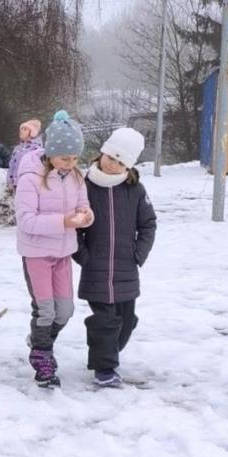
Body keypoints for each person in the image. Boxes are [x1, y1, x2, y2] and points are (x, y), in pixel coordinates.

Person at [15, 110, 92, 388]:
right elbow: (25, 220)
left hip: (63, 253)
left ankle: (40, 340)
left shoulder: (75, 177)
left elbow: (83, 204)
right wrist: (64, 221)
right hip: (36, 253)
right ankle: (42, 356)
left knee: (66, 311)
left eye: (74, 159)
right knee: (45, 310)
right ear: (49, 152)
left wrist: (86, 215)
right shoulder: (30, 178)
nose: (69, 164)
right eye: (64, 158)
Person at [75, 128, 157, 387]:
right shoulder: (83, 187)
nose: (113, 165)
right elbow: (74, 228)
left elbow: (148, 224)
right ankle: (104, 369)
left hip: (126, 269)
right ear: (102, 153)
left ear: (128, 166)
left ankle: (107, 353)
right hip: (95, 268)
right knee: (104, 320)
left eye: (121, 162)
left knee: (127, 321)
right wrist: (83, 255)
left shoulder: (135, 190)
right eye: (111, 157)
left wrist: (138, 253)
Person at [6, 118, 44, 191]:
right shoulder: (17, 148)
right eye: (21, 129)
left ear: (32, 133)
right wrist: (10, 181)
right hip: (15, 184)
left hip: (29, 185)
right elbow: (11, 165)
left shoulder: (37, 150)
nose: (21, 131)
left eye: (25, 129)